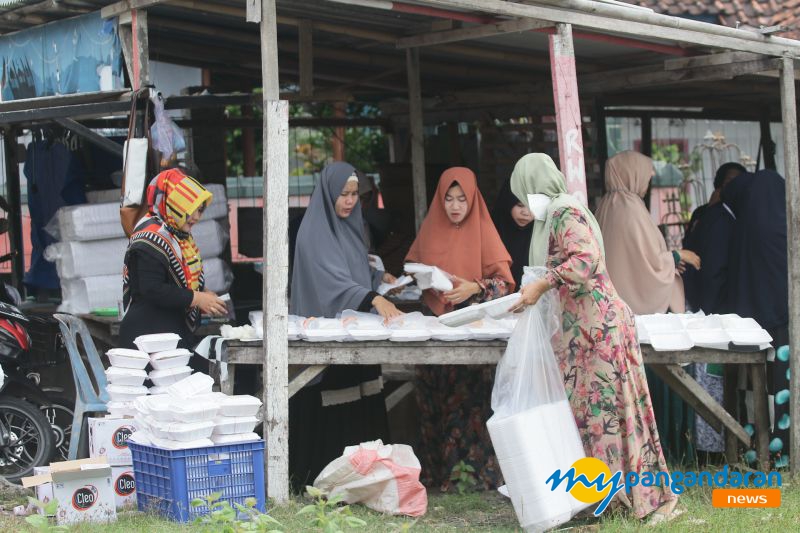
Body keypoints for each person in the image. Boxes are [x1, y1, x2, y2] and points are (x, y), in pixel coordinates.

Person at [510, 153, 678, 522]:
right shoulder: (552, 217)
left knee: (610, 414)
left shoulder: (565, 212)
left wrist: (544, 283)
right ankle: (608, 497)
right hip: (582, 336)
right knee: (593, 417)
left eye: (523, 196)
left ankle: (636, 497)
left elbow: (585, 260)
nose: (524, 205)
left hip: (599, 332)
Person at [289, 161, 402, 490]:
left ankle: (365, 477)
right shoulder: (313, 232)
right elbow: (330, 281)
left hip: (355, 328)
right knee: (333, 397)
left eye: (355, 195)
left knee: (363, 394)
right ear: (328, 194)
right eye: (343, 194)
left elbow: (353, 268)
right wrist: (373, 298)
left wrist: (379, 278)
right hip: (327, 332)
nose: (350, 201)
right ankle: (327, 478)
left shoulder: (353, 227)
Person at [405, 167, 514, 491]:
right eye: (448, 198)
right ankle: (436, 477)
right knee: (432, 402)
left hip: (472, 329)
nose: (454, 205)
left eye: (462, 199)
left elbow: (506, 285)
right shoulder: (431, 228)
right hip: (434, 331)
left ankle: (470, 478)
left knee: (469, 406)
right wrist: (423, 281)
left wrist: (473, 288)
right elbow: (414, 270)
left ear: (472, 200)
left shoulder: (483, 229)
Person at [722, 169, 790, 466]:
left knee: (751, 388)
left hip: (748, 324)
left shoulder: (741, 230)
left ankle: (751, 448)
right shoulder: (786, 228)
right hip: (784, 321)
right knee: (782, 387)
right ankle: (783, 450)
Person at [120, 168, 226, 350]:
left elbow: (174, 281)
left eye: (199, 210)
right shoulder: (148, 239)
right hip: (147, 338)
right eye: (189, 210)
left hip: (166, 335)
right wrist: (196, 298)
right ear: (172, 205)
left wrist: (204, 294)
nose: (196, 217)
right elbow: (152, 289)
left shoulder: (177, 236)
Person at [681, 162, 744, 460]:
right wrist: (712, 314)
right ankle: (712, 450)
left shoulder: (726, 216)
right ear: (719, 187)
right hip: (711, 315)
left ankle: (718, 446)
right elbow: (713, 272)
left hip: (712, 314)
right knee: (712, 381)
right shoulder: (718, 219)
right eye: (731, 183)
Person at [595, 150, 701, 315]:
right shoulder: (630, 208)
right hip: (634, 309)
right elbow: (647, 265)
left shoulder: (606, 205)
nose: (648, 182)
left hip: (613, 305)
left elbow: (634, 258)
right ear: (632, 174)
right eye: (646, 177)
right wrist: (678, 255)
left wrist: (669, 263)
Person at [682, 162, 745, 314]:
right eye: (730, 181)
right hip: (709, 300)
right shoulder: (712, 216)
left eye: (740, 181)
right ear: (719, 185)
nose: (736, 186)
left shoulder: (740, 212)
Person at [491, 178, 534, 289]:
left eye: (532, 207)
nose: (526, 213)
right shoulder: (492, 232)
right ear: (507, 203)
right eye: (520, 205)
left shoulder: (544, 236)